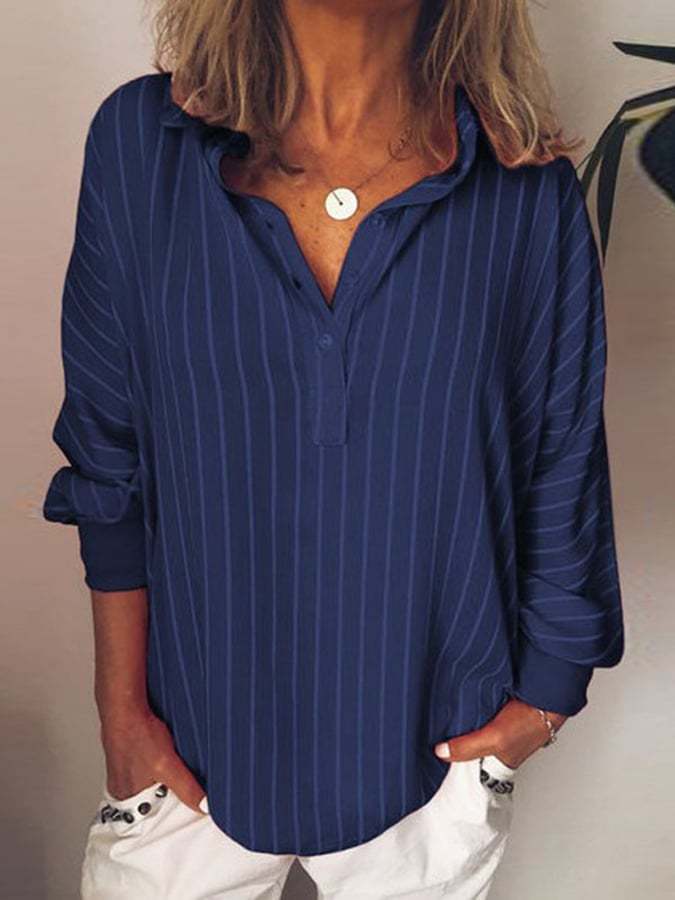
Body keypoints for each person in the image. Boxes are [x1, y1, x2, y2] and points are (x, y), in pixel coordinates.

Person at [42, 0, 625, 897]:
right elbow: (106, 450)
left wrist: (543, 704)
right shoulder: (141, 146)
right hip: (184, 746)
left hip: (434, 752)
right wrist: (120, 715)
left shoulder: (521, 191)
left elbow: (560, 460)